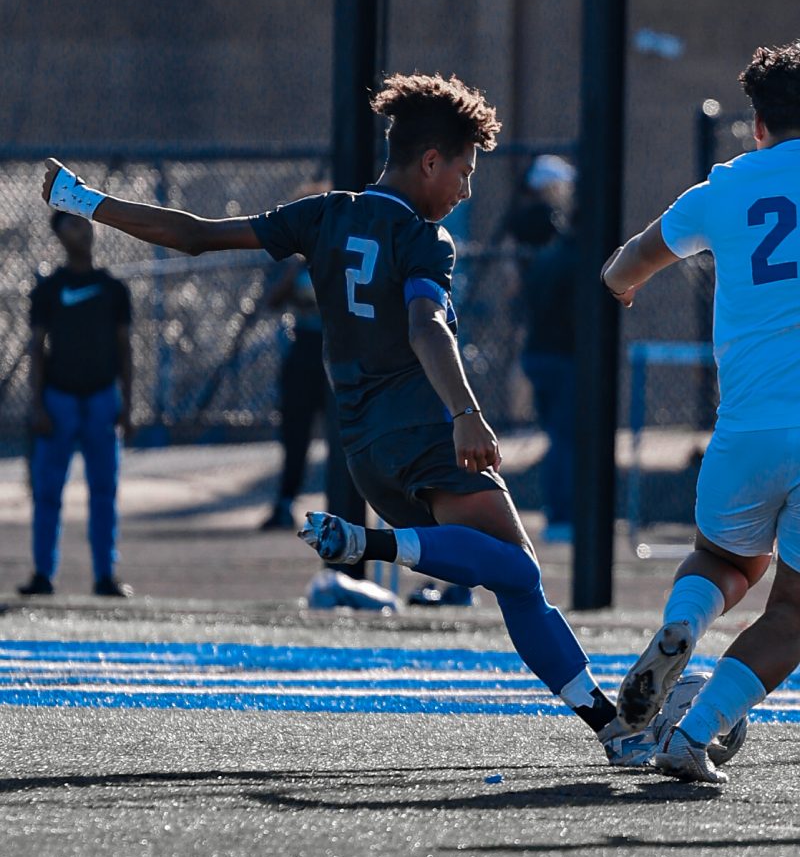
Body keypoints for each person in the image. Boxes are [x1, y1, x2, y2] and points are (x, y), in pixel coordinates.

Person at [42, 73, 669, 767]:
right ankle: (373, 550)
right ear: (430, 162)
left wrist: (84, 199)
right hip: (426, 432)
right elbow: (428, 325)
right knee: (517, 576)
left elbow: (192, 237)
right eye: (463, 171)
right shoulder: (426, 240)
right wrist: (466, 412)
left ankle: (612, 727)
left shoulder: (323, 215)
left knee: (514, 575)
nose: (465, 190)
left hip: (365, 451)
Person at [602, 40, 800, 784]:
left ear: (757, 124)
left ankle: (684, 625)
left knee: (724, 560)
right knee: (795, 614)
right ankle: (696, 736)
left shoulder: (720, 189)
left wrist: (625, 287)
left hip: (745, 429)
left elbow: (622, 267)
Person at [19, 211, 134, 598]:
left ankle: (105, 575)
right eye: (71, 224)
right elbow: (36, 349)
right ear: (58, 235)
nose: (82, 229)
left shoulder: (113, 289)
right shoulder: (48, 290)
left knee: (104, 491)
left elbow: (125, 349)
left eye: (85, 222)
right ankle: (42, 575)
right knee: (48, 492)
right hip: (59, 402)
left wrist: (127, 405)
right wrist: (37, 405)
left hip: (102, 399)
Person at [515, 157, 578, 542]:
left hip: (538, 352)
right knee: (565, 439)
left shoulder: (541, 261)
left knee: (557, 437)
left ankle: (558, 511)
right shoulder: (570, 260)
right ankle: (561, 514)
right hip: (562, 356)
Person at [258, 256, 326, 530]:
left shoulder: (343, 254)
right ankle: (286, 502)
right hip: (305, 349)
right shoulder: (298, 266)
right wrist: (290, 276)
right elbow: (271, 302)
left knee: (347, 435)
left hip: (339, 349)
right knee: (295, 433)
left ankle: (346, 505)